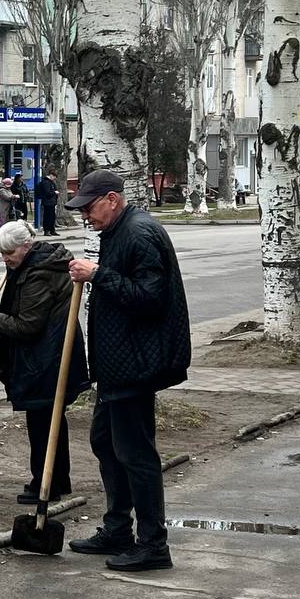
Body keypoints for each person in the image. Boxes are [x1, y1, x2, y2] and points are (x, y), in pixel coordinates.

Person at [64, 170, 191, 572]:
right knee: (105, 442)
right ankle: (118, 528)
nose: (85, 215)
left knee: (136, 454)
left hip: (137, 362)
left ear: (113, 200)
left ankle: (153, 544)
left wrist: (98, 275)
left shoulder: (138, 234)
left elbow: (151, 298)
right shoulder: (120, 231)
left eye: (89, 207)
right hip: (120, 364)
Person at [0, 221, 89, 505]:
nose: (5, 258)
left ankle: (45, 484)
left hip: (47, 359)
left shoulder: (38, 274)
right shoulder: (40, 264)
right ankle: (57, 480)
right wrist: (13, 269)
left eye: (9, 252)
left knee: (42, 423)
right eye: (1, 253)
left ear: (26, 247)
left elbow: (27, 325)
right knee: (51, 420)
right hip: (51, 354)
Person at [38, 170, 60, 235]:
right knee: (48, 217)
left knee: (52, 217)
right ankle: (47, 230)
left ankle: (52, 230)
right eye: (54, 177)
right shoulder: (46, 182)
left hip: (52, 202)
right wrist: (54, 192)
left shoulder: (51, 182)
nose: (54, 178)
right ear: (51, 175)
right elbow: (47, 192)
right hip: (47, 202)